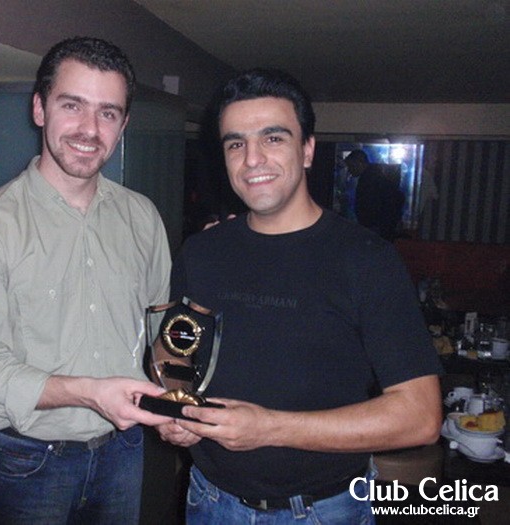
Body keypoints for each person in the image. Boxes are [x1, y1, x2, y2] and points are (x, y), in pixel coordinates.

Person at [155, 68, 442, 524]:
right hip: (210, 501)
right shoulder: (202, 251)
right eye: (235, 144)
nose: (252, 159)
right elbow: (175, 350)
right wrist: (176, 408)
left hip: (324, 510)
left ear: (307, 149)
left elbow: (420, 417)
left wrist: (269, 428)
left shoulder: (366, 259)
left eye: (273, 138)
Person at [0, 36, 173, 523]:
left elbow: (158, 331)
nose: (90, 129)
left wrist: (178, 398)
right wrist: (89, 392)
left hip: (124, 449)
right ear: (39, 109)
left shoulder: (143, 218)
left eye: (108, 113)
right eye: (72, 105)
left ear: (124, 124)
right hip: (28, 461)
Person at [343, 149, 405, 241]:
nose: (349, 170)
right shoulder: (374, 176)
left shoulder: (370, 179)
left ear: (360, 163)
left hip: (375, 227)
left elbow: (371, 205)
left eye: (351, 166)